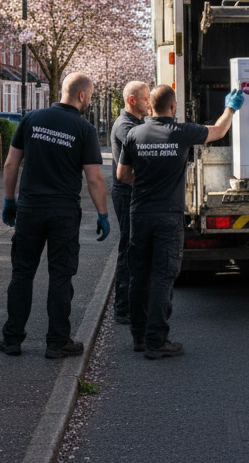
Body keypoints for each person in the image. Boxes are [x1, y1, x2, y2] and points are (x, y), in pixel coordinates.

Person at [117, 84, 243, 359]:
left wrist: (146, 181)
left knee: (139, 275)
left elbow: (122, 175)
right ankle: (156, 340)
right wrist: (231, 107)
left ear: (150, 106)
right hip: (168, 215)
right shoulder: (182, 132)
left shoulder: (134, 133)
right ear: (173, 107)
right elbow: (219, 131)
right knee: (163, 276)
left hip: (140, 213)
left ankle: (139, 337)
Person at [0, 73, 111, 358]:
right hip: (63, 212)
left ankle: (12, 339)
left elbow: (11, 163)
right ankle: (57, 341)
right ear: (82, 96)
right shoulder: (83, 129)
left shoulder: (32, 119)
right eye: (91, 95)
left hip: (30, 209)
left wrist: (9, 200)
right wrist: (103, 213)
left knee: (22, 273)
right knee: (60, 276)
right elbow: (94, 178)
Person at [109, 80, 151, 325]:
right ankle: (123, 307)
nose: (149, 103)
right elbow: (139, 158)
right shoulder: (126, 126)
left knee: (132, 247)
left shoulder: (136, 123)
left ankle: (130, 304)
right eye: (146, 98)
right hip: (127, 194)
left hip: (132, 193)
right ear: (132, 100)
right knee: (127, 249)